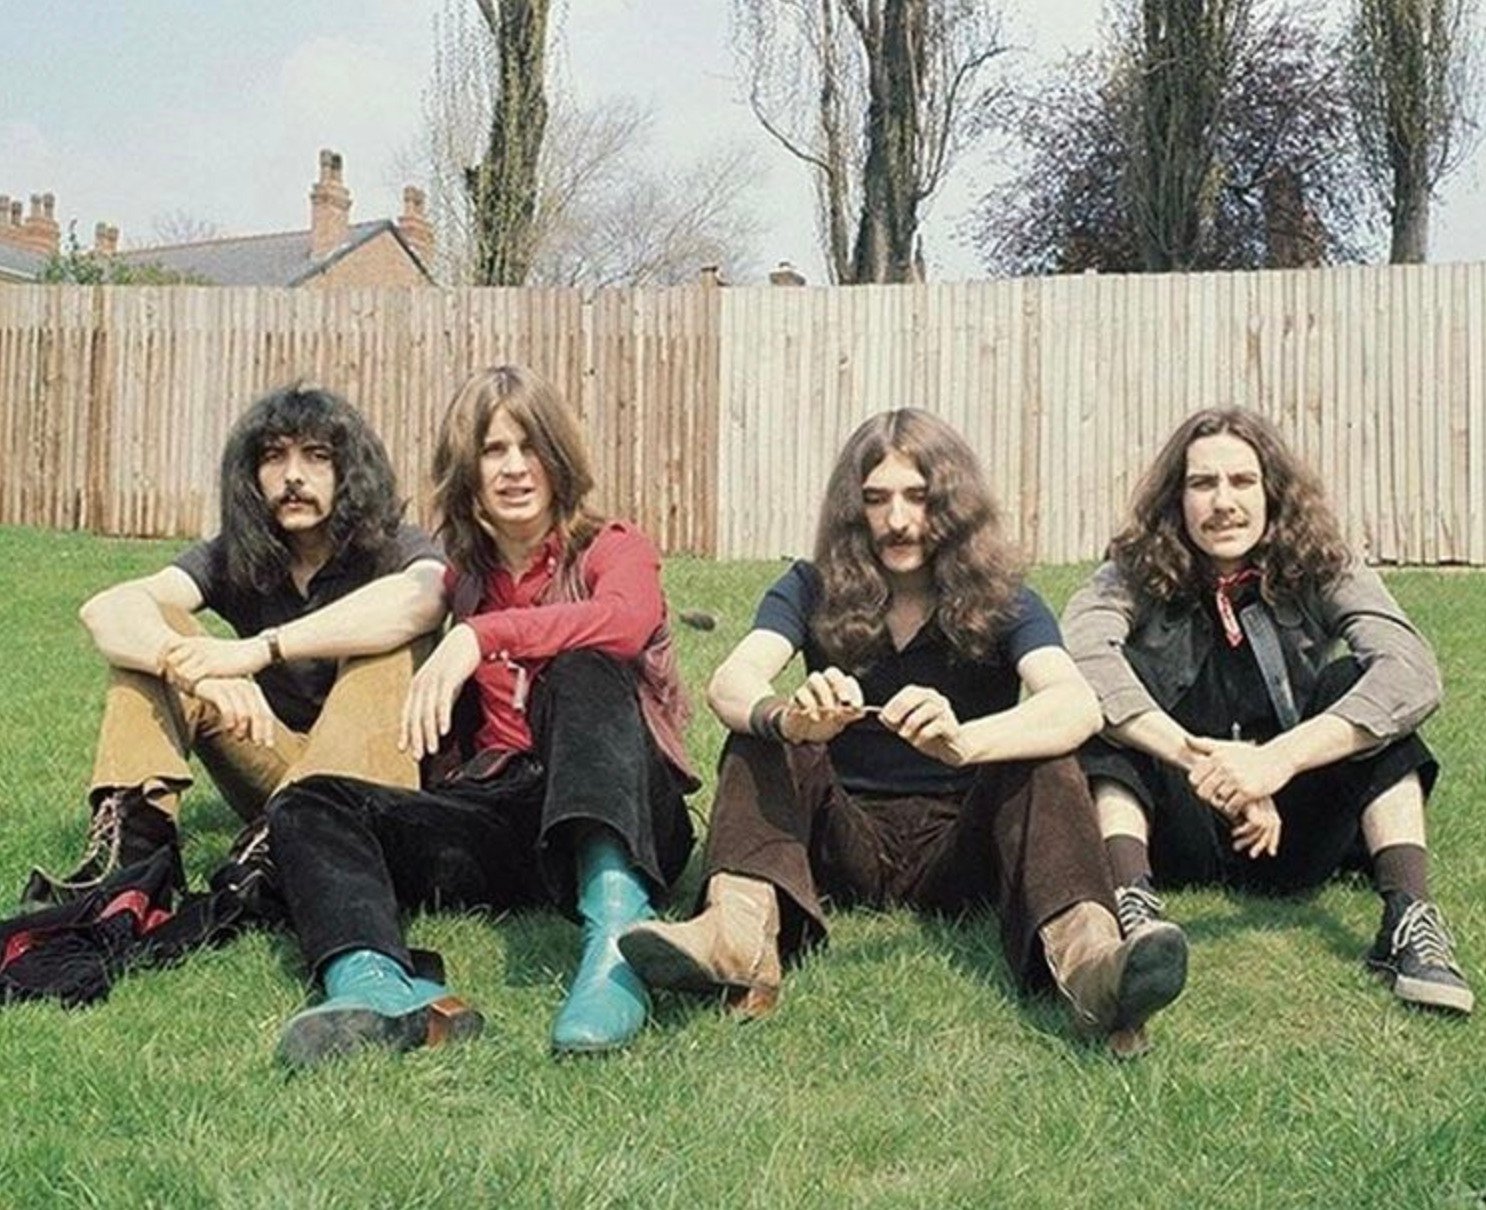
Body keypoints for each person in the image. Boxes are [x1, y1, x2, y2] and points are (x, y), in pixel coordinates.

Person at [620, 409, 1188, 1057]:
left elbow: (1076, 704)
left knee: (1048, 755)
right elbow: (732, 680)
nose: (897, 520)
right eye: (876, 499)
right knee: (759, 736)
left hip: (961, 846)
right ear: (851, 510)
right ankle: (734, 936)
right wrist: (791, 716)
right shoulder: (809, 586)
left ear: (953, 503)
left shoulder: (1006, 599)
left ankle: (1094, 967)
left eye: (918, 497)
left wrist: (968, 741)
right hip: (843, 844)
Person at [264, 364, 696, 1069]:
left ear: (558, 459)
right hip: (508, 814)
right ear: (467, 469)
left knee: (585, 665)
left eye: (529, 447)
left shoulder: (614, 547)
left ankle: (619, 935)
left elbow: (623, 624)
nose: (515, 468)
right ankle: (375, 985)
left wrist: (481, 635)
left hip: (627, 810)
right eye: (494, 451)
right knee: (311, 804)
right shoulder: (463, 579)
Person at [1061, 407, 1472, 1015]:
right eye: (1203, 484)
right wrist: (1199, 756)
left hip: (1291, 825)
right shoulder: (1135, 568)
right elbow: (1081, 652)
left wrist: (1276, 763)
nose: (1223, 502)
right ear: (1177, 500)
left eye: (1241, 482)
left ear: (1271, 492)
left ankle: (1409, 920)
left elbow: (1410, 669)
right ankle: (1133, 906)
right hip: (1178, 817)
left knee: (1362, 687)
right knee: (1105, 698)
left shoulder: (1322, 562)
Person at [25, 384, 447, 903]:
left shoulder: (394, 546)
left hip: (369, 786)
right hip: (274, 761)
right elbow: (108, 609)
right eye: (274, 457)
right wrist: (191, 669)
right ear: (251, 475)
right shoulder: (241, 555)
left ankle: (293, 847)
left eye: (316, 456)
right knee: (161, 627)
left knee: (392, 646)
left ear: (348, 471)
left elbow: (425, 597)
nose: (293, 475)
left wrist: (260, 649)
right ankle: (134, 859)